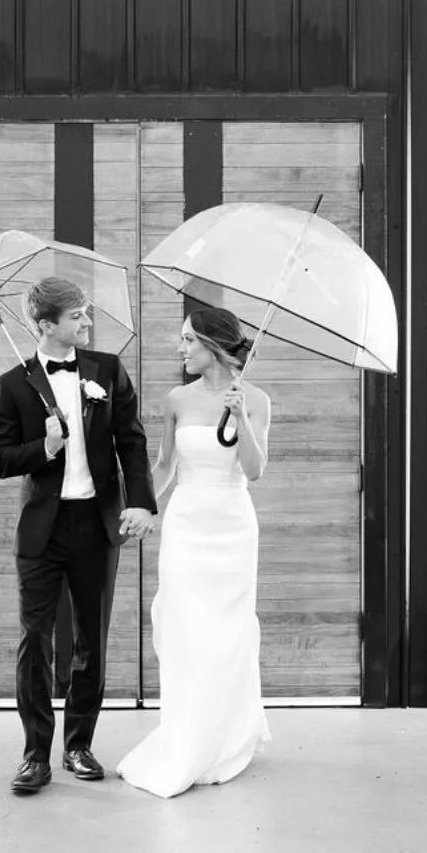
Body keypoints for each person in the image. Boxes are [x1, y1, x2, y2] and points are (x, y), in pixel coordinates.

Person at [0, 277, 157, 794]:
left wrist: (142, 504)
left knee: (91, 641)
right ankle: (35, 754)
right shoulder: (13, 383)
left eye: (87, 315)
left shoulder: (107, 370)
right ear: (46, 326)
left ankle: (78, 745)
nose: (87, 323)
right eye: (78, 317)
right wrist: (46, 446)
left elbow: (131, 440)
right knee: (35, 641)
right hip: (43, 528)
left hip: (97, 524)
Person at [116, 306, 271, 798]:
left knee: (227, 632)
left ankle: (223, 739)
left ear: (212, 345)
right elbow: (163, 465)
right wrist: (142, 508)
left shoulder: (257, 399)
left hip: (232, 526)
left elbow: (254, 469)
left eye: (187, 340)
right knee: (184, 630)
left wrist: (241, 414)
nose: (180, 348)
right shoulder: (176, 399)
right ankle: (186, 734)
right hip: (186, 526)